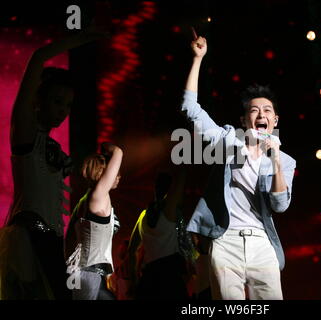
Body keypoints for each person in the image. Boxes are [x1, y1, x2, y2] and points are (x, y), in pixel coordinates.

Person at [181, 30, 296, 300]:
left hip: (262, 243)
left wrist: (276, 159)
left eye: (267, 110)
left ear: (275, 121)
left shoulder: (286, 161)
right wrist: (198, 59)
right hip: (226, 239)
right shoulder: (229, 141)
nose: (261, 114)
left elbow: (280, 205)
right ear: (244, 120)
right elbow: (190, 109)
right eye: (254, 110)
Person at [0, 26, 107, 300]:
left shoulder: (55, 149)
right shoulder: (25, 135)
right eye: (57, 101)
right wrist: (77, 40)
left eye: (68, 105)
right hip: (26, 239)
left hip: (49, 242)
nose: (63, 111)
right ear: (38, 100)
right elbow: (37, 58)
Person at [64, 143, 122, 300]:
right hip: (89, 274)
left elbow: (69, 238)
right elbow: (118, 152)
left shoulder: (87, 200)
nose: (118, 175)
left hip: (87, 274)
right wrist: (106, 148)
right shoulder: (97, 196)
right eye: (114, 172)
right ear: (103, 173)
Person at [127, 169, 197, 300]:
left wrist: (134, 279)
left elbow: (131, 250)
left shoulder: (142, 216)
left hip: (148, 279)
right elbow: (180, 180)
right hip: (170, 278)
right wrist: (185, 159)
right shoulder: (169, 211)